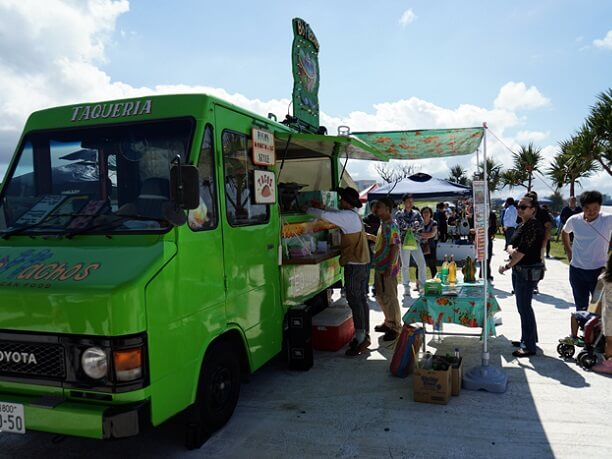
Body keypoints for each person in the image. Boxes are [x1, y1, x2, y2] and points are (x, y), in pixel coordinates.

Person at [306, 187, 371, 356]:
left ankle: (360, 336)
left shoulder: (347, 217)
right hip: (362, 263)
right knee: (361, 300)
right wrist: (322, 206)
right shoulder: (352, 215)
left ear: (347, 202)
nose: (340, 201)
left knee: (354, 300)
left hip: (354, 264)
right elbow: (334, 213)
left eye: (342, 199)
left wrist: (306, 209)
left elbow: (325, 216)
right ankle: (364, 334)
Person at [499, 193, 544, 357]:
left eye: (523, 207)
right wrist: (512, 250)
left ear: (533, 210)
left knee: (524, 308)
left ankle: (529, 345)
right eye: (519, 206)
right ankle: (528, 339)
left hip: (527, 271)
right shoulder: (522, 224)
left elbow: (520, 251)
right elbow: (512, 246)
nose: (519, 209)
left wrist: (506, 265)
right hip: (520, 271)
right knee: (523, 308)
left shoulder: (532, 226)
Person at [561, 190, 612, 322]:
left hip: (599, 272)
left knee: (598, 307)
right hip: (577, 271)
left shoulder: (607, 219)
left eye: (595, 208)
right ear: (582, 207)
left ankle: (597, 338)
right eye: (588, 208)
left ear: (600, 207)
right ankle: (584, 335)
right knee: (581, 307)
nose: (592, 211)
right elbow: (564, 232)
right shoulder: (574, 220)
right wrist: (569, 251)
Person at [371, 197, 402, 341]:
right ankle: (388, 322)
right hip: (380, 266)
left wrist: (390, 267)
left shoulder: (392, 225)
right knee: (381, 295)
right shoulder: (383, 224)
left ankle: (395, 327)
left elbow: (395, 246)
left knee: (390, 297)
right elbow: (382, 241)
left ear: (387, 210)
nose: (376, 209)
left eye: (379, 206)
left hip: (387, 268)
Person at [395, 193, 426, 296]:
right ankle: (406, 287)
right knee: (405, 265)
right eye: (408, 201)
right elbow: (402, 225)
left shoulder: (417, 213)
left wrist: (410, 226)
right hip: (404, 242)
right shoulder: (399, 214)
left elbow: (421, 224)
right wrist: (414, 225)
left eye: (412, 201)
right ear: (403, 202)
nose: (410, 203)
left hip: (415, 242)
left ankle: (422, 286)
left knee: (421, 264)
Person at [592, 253, 612, 374]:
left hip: (609, 316)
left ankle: (609, 364)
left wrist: (592, 314)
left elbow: (595, 300)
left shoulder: (603, 278)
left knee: (610, 341)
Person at [363, 200, 380, 296]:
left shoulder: (382, 219)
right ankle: (365, 289)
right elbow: (365, 230)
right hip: (368, 247)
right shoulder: (366, 219)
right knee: (367, 268)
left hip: (380, 246)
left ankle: (376, 288)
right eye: (373, 207)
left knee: (378, 269)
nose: (375, 209)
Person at [420, 206, 438, 278]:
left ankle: (435, 281)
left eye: (427, 212)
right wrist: (428, 235)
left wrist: (423, 235)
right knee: (419, 265)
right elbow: (417, 234)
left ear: (431, 213)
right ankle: (418, 283)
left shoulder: (434, 223)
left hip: (431, 246)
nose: (426, 214)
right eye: (424, 212)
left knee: (432, 265)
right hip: (420, 247)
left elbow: (433, 234)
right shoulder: (419, 223)